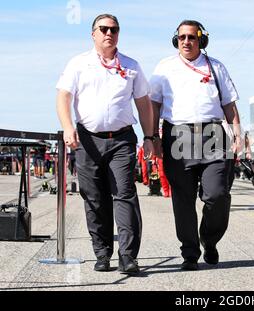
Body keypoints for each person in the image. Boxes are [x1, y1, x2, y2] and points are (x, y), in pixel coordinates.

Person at [56, 14, 155, 274]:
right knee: (95, 198)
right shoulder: (79, 64)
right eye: (104, 29)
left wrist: (150, 137)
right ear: (93, 34)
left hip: (122, 139)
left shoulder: (131, 65)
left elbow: (143, 103)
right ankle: (102, 253)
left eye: (114, 29)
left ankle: (128, 256)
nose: (109, 33)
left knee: (125, 195)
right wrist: (68, 127)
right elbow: (63, 96)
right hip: (88, 140)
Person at [149, 20, 242, 270]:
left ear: (201, 39)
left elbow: (229, 104)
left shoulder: (216, 67)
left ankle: (209, 241)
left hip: (213, 133)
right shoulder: (164, 67)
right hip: (177, 134)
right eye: (182, 37)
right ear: (176, 40)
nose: (186, 41)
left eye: (191, 37)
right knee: (183, 198)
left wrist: (238, 132)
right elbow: (154, 105)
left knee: (217, 194)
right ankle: (190, 253)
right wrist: (152, 137)